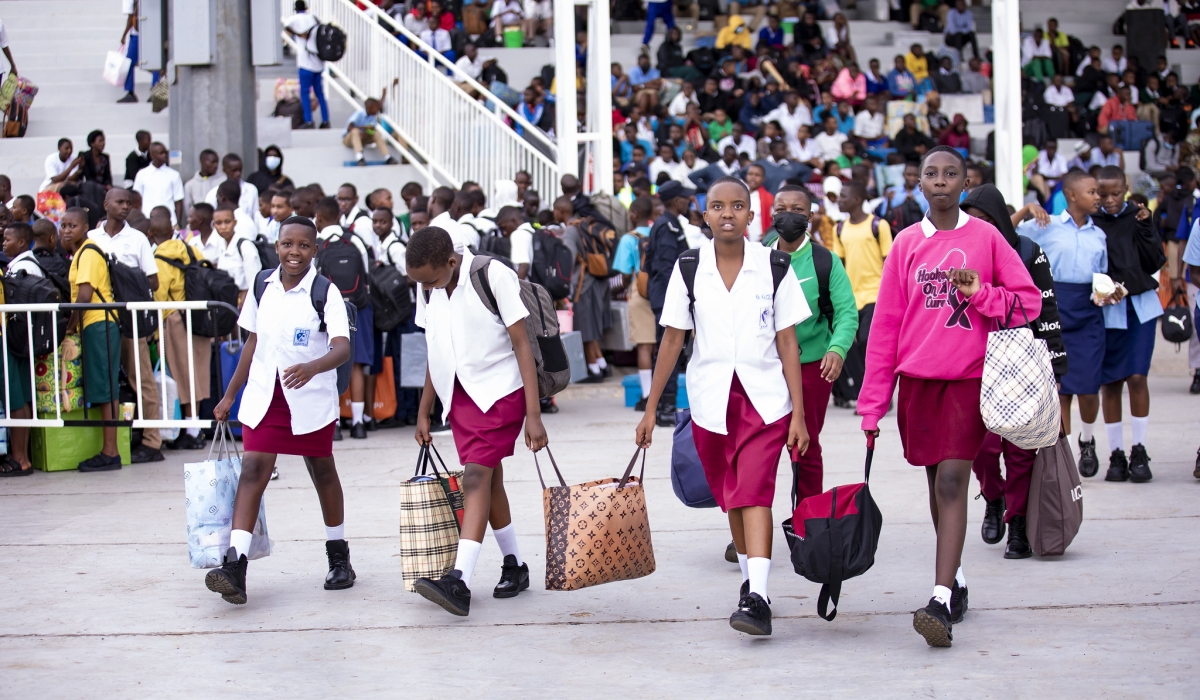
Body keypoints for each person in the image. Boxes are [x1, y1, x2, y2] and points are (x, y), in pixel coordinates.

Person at [860, 147, 1042, 647]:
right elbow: (886, 330)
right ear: (919, 183)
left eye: (951, 174)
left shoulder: (985, 237)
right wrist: (873, 404)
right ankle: (957, 580)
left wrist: (981, 293)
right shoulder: (904, 244)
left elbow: (1027, 301)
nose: (940, 181)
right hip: (918, 383)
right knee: (937, 482)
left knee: (953, 481)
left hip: (968, 380)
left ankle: (939, 599)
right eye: (931, 174)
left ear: (965, 182)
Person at [635, 176, 810, 637]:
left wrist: (799, 412)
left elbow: (787, 341)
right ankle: (752, 581)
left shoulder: (773, 265)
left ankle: (758, 595)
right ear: (705, 214)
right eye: (717, 206)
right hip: (710, 399)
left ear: (752, 216)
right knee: (730, 493)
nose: (727, 213)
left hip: (764, 400)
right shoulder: (689, 266)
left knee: (754, 490)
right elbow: (672, 338)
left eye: (737, 206)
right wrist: (652, 408)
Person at [204, 216, 354, 605]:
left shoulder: (325, 292)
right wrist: (228, 396)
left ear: (314, 250)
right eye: (288, 244)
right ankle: (235, 566)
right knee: (254, 469)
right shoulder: (261, 285)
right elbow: (253, 342)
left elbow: (342, 348)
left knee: (321, 471)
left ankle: (339, 556)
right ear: (276, 246)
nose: (295, 252)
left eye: (303, 246)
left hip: (308, 397)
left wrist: (312, 367)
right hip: (264, 396)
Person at [406, 226, 549, 616]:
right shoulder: (428, 285)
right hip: (460, 398)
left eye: (431, 280)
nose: (426, 288)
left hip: (501, 391)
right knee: (489, 480)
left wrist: (533, 415)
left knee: (473, 478)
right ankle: (515, 566)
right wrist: (424, 410)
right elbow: (436, 350)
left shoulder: (491, 275)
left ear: (451, 262)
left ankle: (459, 580)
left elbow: (523, 343)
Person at [961, 185, 1068, 560]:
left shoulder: (1026, 251)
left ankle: (1018, 523)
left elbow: (1046, 307)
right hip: (973, 362)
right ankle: (994, 497)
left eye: (986, 220)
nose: (978, 227)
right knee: (982, 449)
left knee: (1022, 449)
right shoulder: (955, 254)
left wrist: (1056, 367)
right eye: (971, 219)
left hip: (1021, 360)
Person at [766, 185, 859, 507]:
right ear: (770, 214)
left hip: (811, 367)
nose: (788, 215)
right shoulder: (756, 256)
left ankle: (808, 519)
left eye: (797, 209)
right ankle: (749, 529)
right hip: (765, 367)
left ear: (809, 216)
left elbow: (847, 312)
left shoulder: (824, 261)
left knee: (805, 445)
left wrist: (838, 348)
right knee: (758, 449)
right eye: (781, 208)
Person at [1017, 171, 1110, 479]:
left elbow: (1103, 274)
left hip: (1088, 310)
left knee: (1088, 385)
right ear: (1072, 195)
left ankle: (1087, 439)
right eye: (1092, 192)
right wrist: (1027, 207)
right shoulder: (1046, 225)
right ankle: (1066, 449)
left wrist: (1108, 292)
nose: (1098, 197)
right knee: (1062, 388)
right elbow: (1006, 231)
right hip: (1055, 308)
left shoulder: (1099, 234)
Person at [1094, 166, 1164, 483]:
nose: (1109, 200)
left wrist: (1147, 226)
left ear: (1126, 189)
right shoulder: (1091, 222)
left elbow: (1153, 261)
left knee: (1137, 376)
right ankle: (1117, 454)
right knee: (1111, 382)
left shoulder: (1138, 217)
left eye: (1115, 193)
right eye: (1103, 194)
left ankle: (1139, 449)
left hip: (1138, 308)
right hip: (1107, 309)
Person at [86, 189, 163, 463]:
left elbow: (153, 282)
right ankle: (118, 442)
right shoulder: (92, 238)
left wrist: (126, 277)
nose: (125, 207)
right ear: (106, 205)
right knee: (109, 383)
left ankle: (152, 442)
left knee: (140, 379)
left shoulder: (138, 238)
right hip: (101, 320)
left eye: (128, 203)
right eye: (119, 202)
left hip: (130, 319)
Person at [62, 207, 124, 471]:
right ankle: (108, 450)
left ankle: (111, 452)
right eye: (63, 225)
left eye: (72, 226)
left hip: (100, 324)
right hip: (95, 325)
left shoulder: (87, 252)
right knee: (101, 387)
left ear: (85, 227)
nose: (66, 230)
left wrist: (69, 327)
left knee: (106, 389)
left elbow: (84, 297)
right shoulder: (80, 253)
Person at [314, 197, 374, 439]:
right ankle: (359, 424)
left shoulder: (317, 243)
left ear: (318, 219)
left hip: (328, 309)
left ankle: (335, 423)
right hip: (358, 307)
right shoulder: (356, 239)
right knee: (357, 363)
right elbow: (368, 273)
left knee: (330, 362)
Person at [829, 180, 893, 409]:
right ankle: (867, 394)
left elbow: (889, 261)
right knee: (851, 346)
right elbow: (840, 264)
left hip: (876, 294)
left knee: (867, 342)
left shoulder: (879, 225)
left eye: (843, 196)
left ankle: (879, 393)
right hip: (852, 297)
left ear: (857, 199)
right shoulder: (839, 228)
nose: (839, 200)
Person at [151, 217, 211, 450]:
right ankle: (194, 428)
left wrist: (157, 332)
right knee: (198, 372)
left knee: (183, 375)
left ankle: (191, 431)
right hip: (199, 316)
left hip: (175, 319)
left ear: (151, 232)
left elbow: (160, 297)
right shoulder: (192, 250)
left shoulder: (158, 258)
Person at [645, 180, 693, 427]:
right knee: (668, 352)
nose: (688, 200)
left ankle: (665, 406)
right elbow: (665, 267)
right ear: (676, 200)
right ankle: (665, 408)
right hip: (666, 298)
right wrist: (673, 299)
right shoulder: (667, 226)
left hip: (665, 297)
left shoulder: (669, 224)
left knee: (669, 352)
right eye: (685, 197)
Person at [557, 196, 612, 381]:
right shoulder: (590, 226)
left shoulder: (572, 230)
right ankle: (602, 364)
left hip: (582, 285)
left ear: (561, 211)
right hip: (597, 281)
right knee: (593, 329)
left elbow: (569, 258)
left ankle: (593, 370)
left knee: (585, 329)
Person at [0, 222, 39, 476]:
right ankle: (20, 457)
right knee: (19, 398)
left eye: (7, 238)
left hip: (6, 340)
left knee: (14, 398)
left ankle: (20, 459)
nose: (3, 242)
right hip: (14, 339)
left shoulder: (21, 266)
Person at [284, 1, 331, 129]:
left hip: (305, 62)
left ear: (295, 9)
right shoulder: (314, 18)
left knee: (305, 93)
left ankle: (309, 121)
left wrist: (298, 34)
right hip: (318, 62)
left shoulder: (294, 19)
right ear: (306, 8)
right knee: (320, 93)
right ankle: (326, 120)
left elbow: (285, 25)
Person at [132, 142, 184, 226]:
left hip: (170, 221)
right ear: (152, 155)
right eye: (161, 153)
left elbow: (178, 200)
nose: (164, 155)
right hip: (147, 219)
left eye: (165, 152)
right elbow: (137, 198)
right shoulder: (142, 174)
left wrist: (178, 222)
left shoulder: (174, 175)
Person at [203, 154, 260, 220]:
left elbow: (256, 217)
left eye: (240, 170)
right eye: (234, 170)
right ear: (224, 170)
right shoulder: (213, 193)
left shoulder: (251, 190)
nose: (238, 173)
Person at [183, 149, 222, 214]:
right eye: (212, 162)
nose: (216, 165)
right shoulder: (190, 185)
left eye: (217, 162)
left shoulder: (223, 180)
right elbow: (188, 207)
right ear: (202, 162)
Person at [744, 164, 773, 243]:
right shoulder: (740, 195)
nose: (753, 177)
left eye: (757, 175)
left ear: (763, 179)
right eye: (750, 174)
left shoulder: (769, 198)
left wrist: (768, 234)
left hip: (761, 241)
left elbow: (774, 220)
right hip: (743, 241)